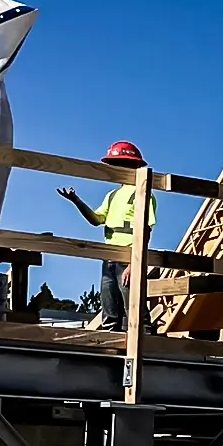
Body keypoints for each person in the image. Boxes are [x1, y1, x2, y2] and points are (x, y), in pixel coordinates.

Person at [57, 140, 148, 329]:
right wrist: (76, 201)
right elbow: (97, 219)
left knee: (134, 309)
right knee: (109, 307)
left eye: (117, 165)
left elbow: (146, 229)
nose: (113, 170)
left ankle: (144, 343)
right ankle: (111, 344)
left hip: (127, 257)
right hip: (110, 258)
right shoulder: (113, 195)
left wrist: (134, 263)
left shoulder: (141, 192)